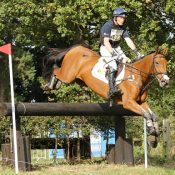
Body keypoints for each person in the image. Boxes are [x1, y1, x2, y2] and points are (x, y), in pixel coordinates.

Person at [100, 7, 143, 98]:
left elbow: (128, 40)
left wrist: (137, 52)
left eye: (124, 18)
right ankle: (111, 90)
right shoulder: (108, 26)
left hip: (117, 48)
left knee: (128, 63)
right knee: (113, 65)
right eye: (121, 17)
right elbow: (106, 42)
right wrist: (113, 54)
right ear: (115, 17)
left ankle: (124, 85)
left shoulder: (123, 28)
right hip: (106, 48)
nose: (123, 20)